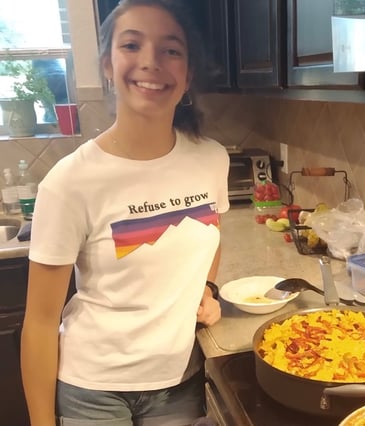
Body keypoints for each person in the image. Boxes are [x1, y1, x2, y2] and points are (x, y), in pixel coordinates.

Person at [20, 1, 229, 425]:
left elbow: (211, 233)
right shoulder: (70, 182)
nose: (150, 62)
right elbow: (40, 324)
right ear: (107, 66)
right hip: (92, 391)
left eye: (171, 50)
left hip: (179, 380)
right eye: (132, 45)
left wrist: (207, 289)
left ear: (188, 74)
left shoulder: (211, 158)